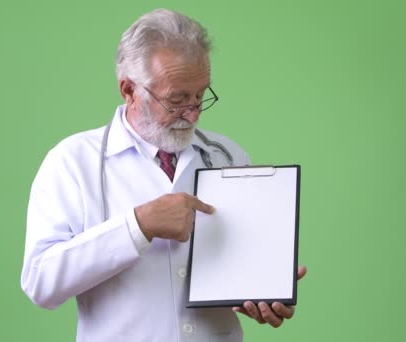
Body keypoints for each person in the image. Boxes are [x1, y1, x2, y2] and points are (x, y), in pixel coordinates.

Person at [21, 8, 307, 341]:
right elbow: (40, 283)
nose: (194, 111)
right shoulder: (72, 162)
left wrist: (263, 293)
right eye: (177, 99)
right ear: (129, 90)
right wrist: (138, 225)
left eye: (201, 94)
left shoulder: (227, 156)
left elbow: (243, 264)